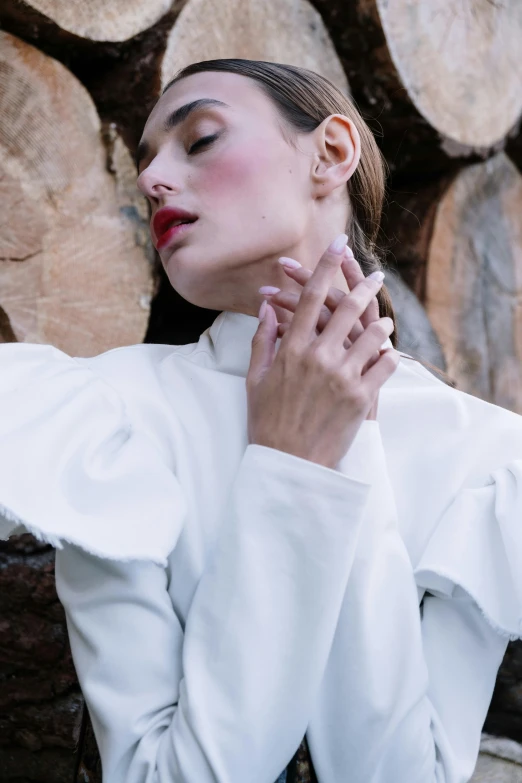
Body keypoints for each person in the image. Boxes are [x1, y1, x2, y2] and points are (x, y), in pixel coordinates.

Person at [1, 58, 521, 783]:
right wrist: (293, 466)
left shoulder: (490, 462)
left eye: (201, 138)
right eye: (145, 161)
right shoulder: (103, 417)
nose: (151, 180)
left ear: (332, 153)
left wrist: (343, 440)